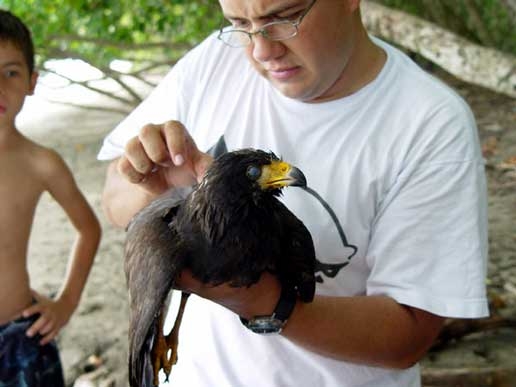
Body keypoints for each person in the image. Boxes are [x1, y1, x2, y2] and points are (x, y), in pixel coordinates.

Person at [99, 0, 488, 386]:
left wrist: (261, 303)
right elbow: (115, 204)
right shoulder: (214, 59)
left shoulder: (431, 122)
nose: (262, 50)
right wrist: (156, 191)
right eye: (239, 22)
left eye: (284, 18)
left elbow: (409, 336)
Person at [0, 9, 102, 387]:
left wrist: (67, 302)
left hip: (20, 337)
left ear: (32, 81)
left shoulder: (41, 163)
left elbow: (88, 229)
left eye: (10, 72)